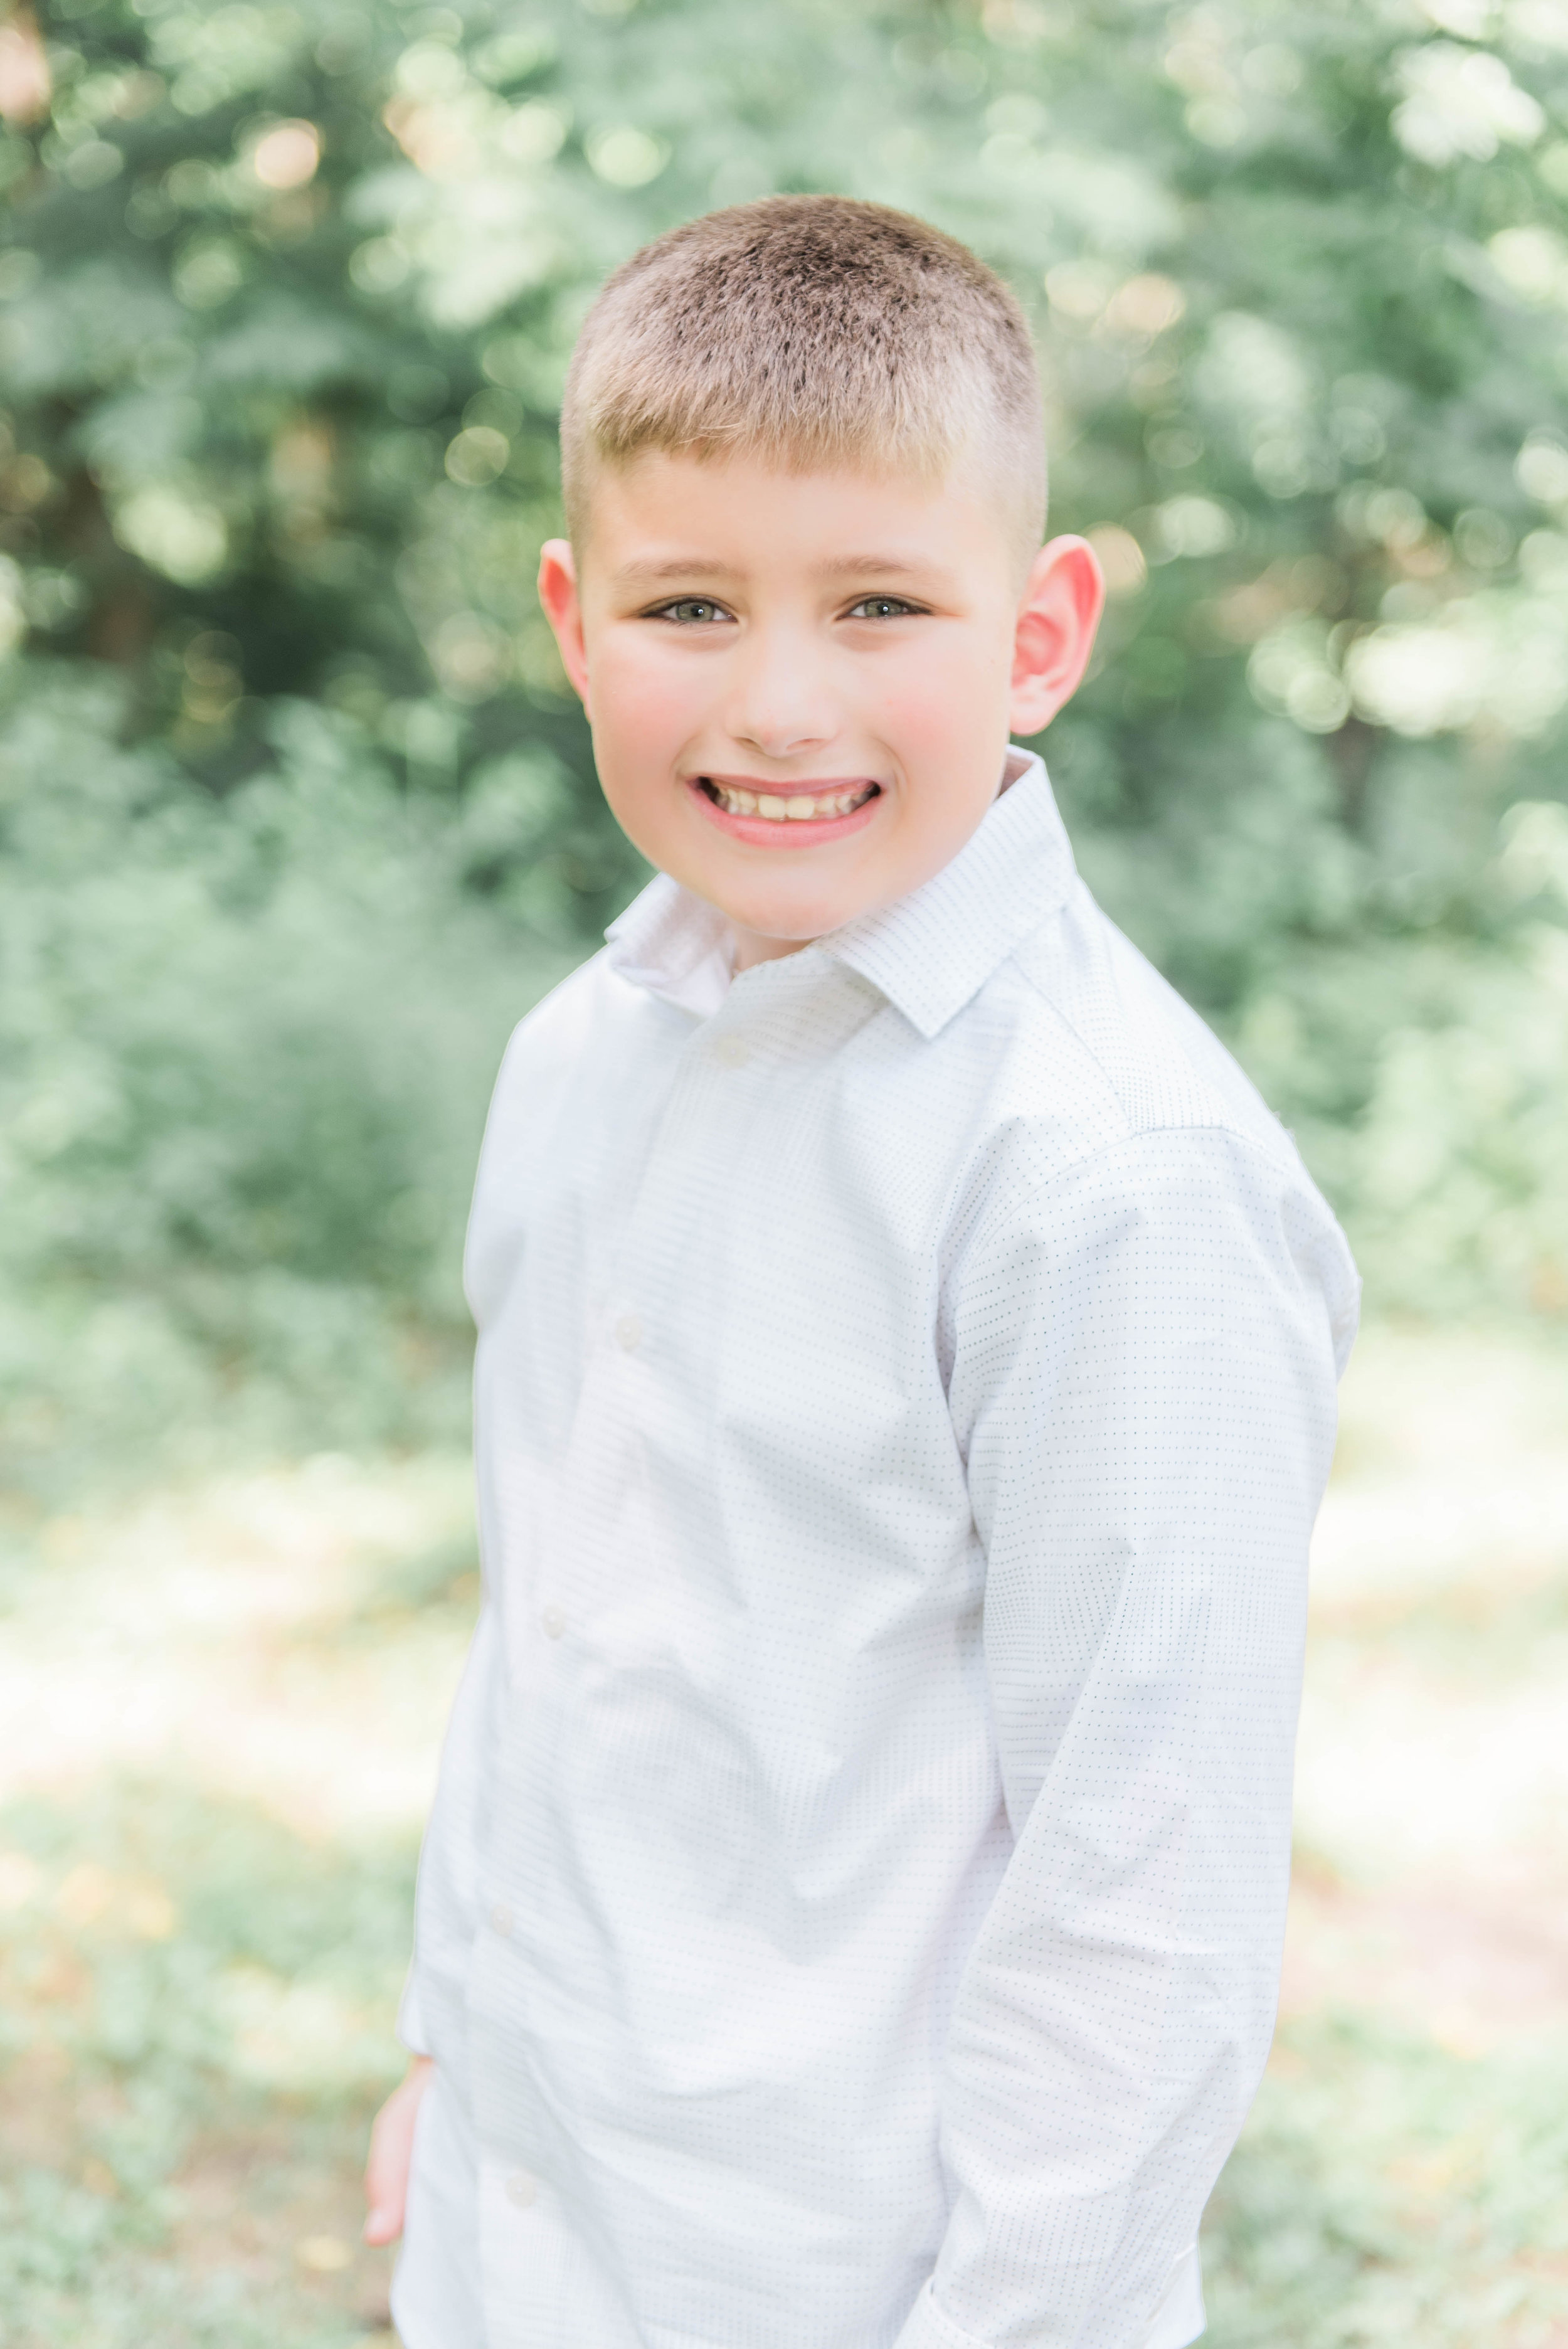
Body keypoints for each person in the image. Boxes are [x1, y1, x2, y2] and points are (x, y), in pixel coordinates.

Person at [363, 194, 1359, 2349]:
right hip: (537, 2226)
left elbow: (1143, 1900)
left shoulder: (1111, 1177)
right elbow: (548, 1631)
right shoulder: (579, 1057)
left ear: (1039, 631)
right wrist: (459, 2041)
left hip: (849, 2285)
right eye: (691, 604)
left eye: (881, 602)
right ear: (570, 620)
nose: (781, 701)